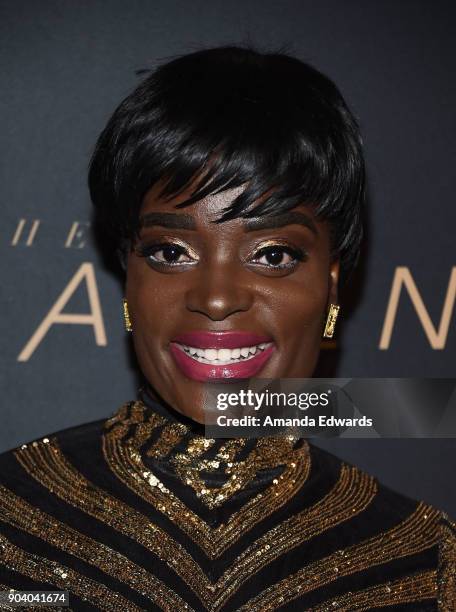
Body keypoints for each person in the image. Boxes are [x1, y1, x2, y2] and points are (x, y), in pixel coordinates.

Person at [0, 45, 454, 611]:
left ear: (331, 285)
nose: (216, 298)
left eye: (272, 255)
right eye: (170, 251)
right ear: (129, 276)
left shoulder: (418, 559)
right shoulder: (13, 519)